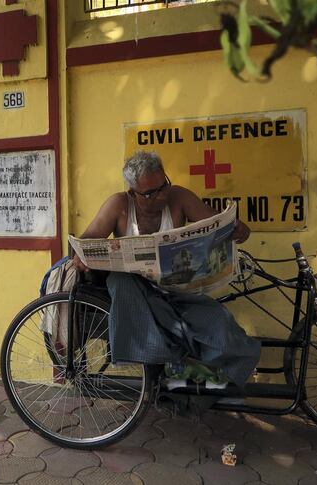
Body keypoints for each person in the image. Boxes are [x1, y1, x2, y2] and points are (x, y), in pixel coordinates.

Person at [72, 150, 260, 386]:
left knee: (219, 323)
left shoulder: (179, 197)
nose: (161, 196)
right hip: (135, 292)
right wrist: (81, 256)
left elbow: (217, 224)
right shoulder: (118, 205)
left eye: (164, 186)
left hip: (175, 290)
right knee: (122, 282)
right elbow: (86, 240)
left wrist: (237, 230)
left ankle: (206, 378)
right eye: (151, 193)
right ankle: (168, 358)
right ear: (133, 192)